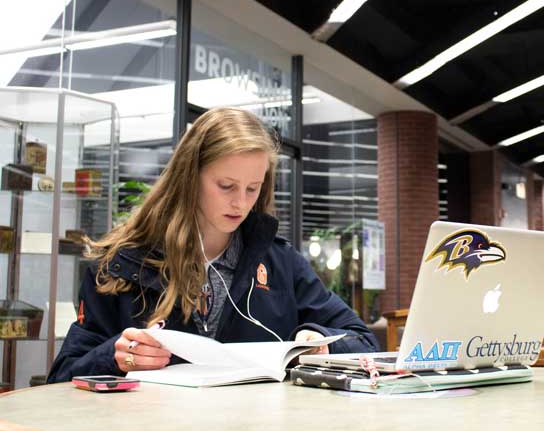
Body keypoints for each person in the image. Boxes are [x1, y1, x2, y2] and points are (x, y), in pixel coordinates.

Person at [47, 107, 379, 382]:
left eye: (252, 189)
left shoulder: (280, 263)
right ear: (189, 177)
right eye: (225, 185)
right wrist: (115, 357)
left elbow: (363, 339)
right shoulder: (122, 264)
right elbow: (62, 377)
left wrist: (319, 343)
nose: (240, 202)